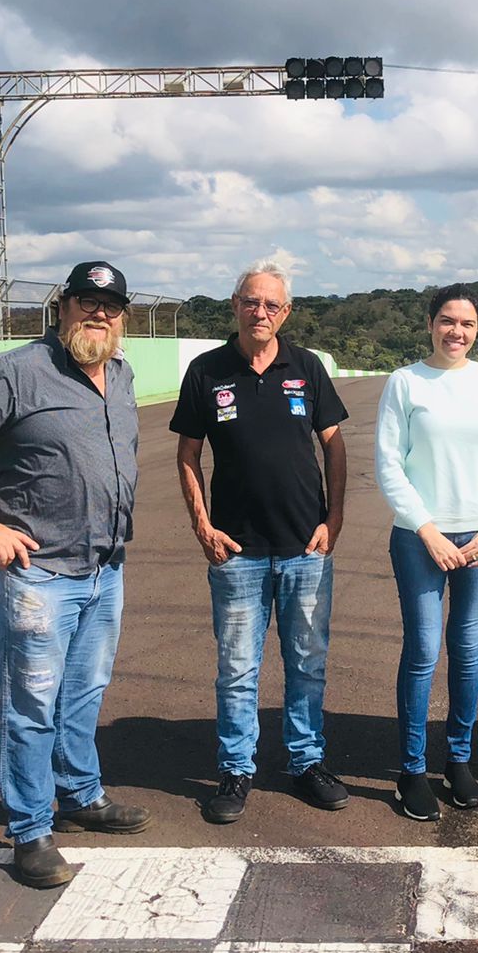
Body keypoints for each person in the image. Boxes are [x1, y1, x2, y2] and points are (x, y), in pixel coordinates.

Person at [0, 260, 148, 889]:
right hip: (39, 574)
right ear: (63, 307)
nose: (97, 313)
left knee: (84, 695)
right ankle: (29, 830)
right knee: (31, 707)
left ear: (123, 315)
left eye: (109, 305)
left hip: (105, 569)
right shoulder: (14, 371)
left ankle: (80, 794)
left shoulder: (122, 372)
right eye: (85, 301)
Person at [171, 259, 350, 824]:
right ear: (235, 305)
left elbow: (335, 446)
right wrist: (202, 524)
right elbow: (188, 456)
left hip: (306, 548)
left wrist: (335, 518)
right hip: (238, 552)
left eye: (272, 304)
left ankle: (305, 761)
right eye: (252, 301)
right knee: (238, 669)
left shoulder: (308, 367)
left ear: (286, 312)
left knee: (306, 664)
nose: (261, 312)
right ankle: (235, 769)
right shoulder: (206, 370)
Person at [374, 285, 478, 821]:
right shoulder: (404, 382)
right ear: (430, 323)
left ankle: (459, 760)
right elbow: (389, 465)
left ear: (477, 329)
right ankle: (411, 770)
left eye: (465, 323)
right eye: (446, 321)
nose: (455, 332)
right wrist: (428, 530)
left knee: (466, 648)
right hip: (421, 539)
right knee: (422, 652)